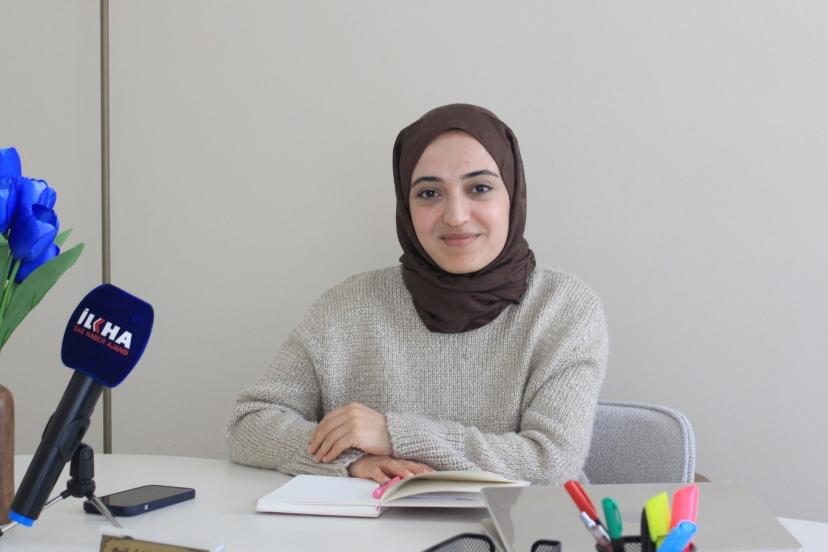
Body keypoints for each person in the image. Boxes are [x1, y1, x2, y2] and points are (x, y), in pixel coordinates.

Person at [226, 104, 608, 485]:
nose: (455, 215)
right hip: (378, 524)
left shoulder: (563, 308)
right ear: (406, 207)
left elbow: (551, 461)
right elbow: (249, 425)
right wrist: (351, 460)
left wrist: (393, 434)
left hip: (517, 525)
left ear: (513, 194)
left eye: (480, 188)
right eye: (428, 193)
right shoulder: (345, 307)